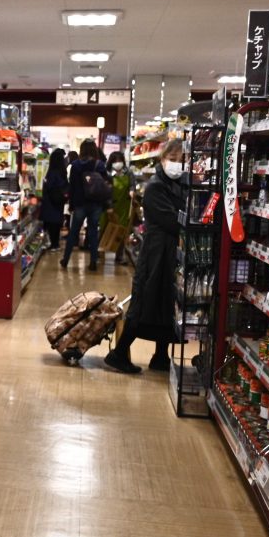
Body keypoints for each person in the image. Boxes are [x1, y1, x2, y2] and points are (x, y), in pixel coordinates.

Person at [104, 139, 188, 374]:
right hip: (155, 254)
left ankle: (160, 356)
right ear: (162, 159)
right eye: (173, 159)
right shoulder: (154, 187)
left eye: (181, 160)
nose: (177, 165)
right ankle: (118, 354)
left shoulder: (180, 184)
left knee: (167, 304)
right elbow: (173, 222)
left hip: (172, 254)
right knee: (144, 302)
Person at [60, 139, 111, 271]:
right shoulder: (99, 165)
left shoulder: (76, 165)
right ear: (94, 149)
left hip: (80, 203)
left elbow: (72, 187)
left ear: (81, 150)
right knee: (93, 232)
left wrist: (71, 204)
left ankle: (65, 260)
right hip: (96, 203)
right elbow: (105, 184)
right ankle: (93, 261)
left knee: (74, 232)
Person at [100, 151, 134, 264]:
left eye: (120, 161)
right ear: (111, 162)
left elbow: (132, 184)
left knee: (121, 231)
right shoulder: (107, 173)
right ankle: (100, 253)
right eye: (115, 161)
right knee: (105, 229)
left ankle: (119, 256)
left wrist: (132, 190)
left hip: (123, 206)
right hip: (108, 206)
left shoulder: (128, 172)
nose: (118, 163)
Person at [40, 148, 67, 250]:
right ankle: (55, 243)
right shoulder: (62, 172)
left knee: (51, 224)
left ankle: (53, 244)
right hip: (59, 201)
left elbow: (50, 185)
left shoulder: (52, 172)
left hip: (50, 201)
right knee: (56, 223)